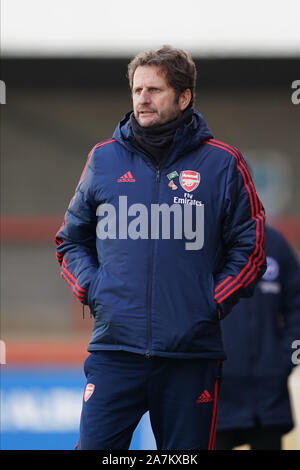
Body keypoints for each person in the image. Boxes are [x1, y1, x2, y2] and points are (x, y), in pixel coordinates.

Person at [55, 45, 266, 450]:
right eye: (137, 90)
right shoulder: (103, 159)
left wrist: (209, 301)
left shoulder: (223, 164)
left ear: (184, 97)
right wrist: (94, 289)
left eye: (154, 89)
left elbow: (251, 248)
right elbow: (70, 240)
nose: (142, 99)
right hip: (115, 351)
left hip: (190, 356)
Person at [216, 224, 300, 450]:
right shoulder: (203, 242)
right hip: (215, 393)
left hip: (268, 396)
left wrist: (286, 361)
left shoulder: (275, 243)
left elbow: (297, 308)